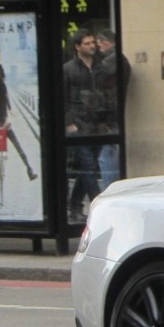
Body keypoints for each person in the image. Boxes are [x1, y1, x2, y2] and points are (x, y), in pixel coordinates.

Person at [63, 30, 102, 220]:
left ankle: (75, 206)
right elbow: (62, 98)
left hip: (96, 124)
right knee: (88, 166)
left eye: (92, 42)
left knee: (89, 167)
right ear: (78, 47)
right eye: (87, 43)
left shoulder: (99, 66)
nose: (92, 46)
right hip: (78, 124)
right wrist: (70, 123)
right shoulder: (69, 69)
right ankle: (99, 206)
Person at [95, 29, 131, 187]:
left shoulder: (111, 61)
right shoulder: (118, 60)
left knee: (107, 158)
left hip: (109, 116)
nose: (97, 48)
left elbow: (97, 80)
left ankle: (109, 191)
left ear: (105, 42)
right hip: (112, 114)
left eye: (97, 44)